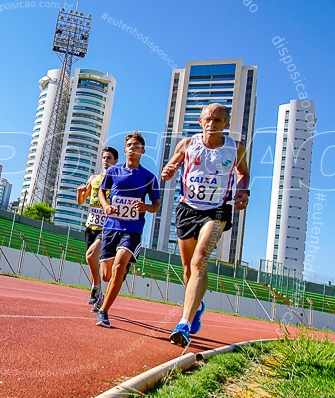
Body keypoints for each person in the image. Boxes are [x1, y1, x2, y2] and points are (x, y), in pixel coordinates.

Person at [159, 103, 249, 346]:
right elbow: (173, 163)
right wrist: (169, 169)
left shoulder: (235, 148)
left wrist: (243, 191)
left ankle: (183, 325)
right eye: (208, 119)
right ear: (200, 121)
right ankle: (197, 306)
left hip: (217, 210)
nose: (212, 124)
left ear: (226, 124)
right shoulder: (188, 143)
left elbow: (243, 174)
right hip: (187, 208)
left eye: (218, 120)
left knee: (200, 261)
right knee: (188, 270)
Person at [93, 132, 160, 328]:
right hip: (111, 227)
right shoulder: (113, 171)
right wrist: (105, 206)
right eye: (129, 145)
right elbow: (101, 192)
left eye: (137, 145)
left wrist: (145, 207)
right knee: (107, 275)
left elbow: (156, 205)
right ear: (125, 150)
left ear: (143, 151)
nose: (133, 148)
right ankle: (117, 276)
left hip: (133, 229)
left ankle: (104, 312)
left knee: (118, 268)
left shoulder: (149, 177)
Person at [77, 146, 119, 308]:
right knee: (93, 260)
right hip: (91, 226)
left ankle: (96, 288)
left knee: (90, 255)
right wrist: (80, 192)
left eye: (109, 158)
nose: (105, 161)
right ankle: (99, 292)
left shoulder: (117, 180)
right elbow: (81, 201)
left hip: (107, 227)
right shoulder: (93, 178)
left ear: (116, 161)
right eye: (104, 158)